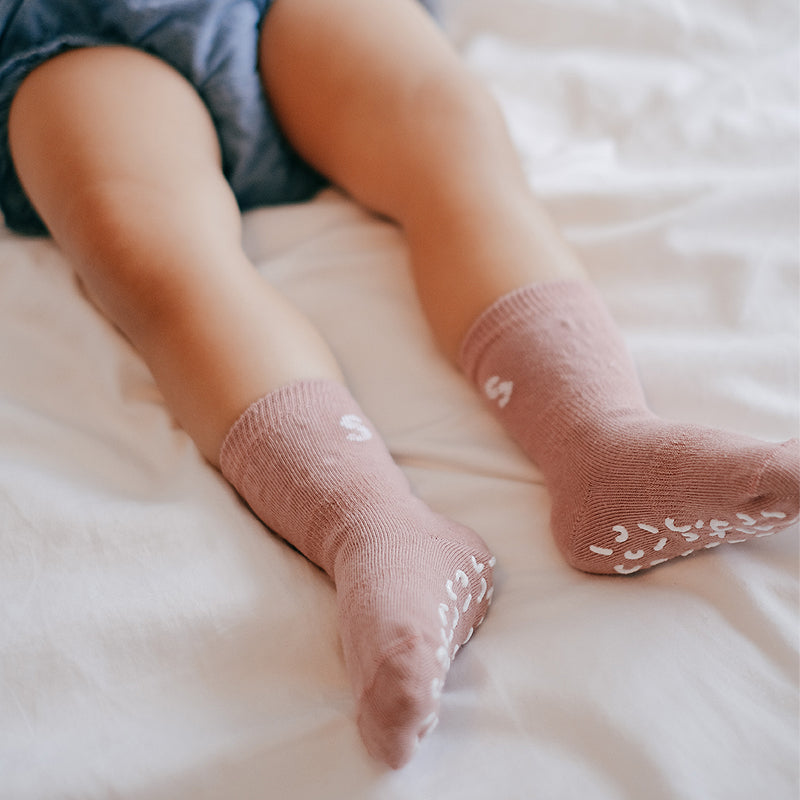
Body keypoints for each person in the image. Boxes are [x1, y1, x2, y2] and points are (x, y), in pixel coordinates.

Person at [2, 0, 797, 770]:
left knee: (446, 129)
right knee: (147, 252)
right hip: (58, 34)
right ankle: (374, 528)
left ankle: (601, 440)